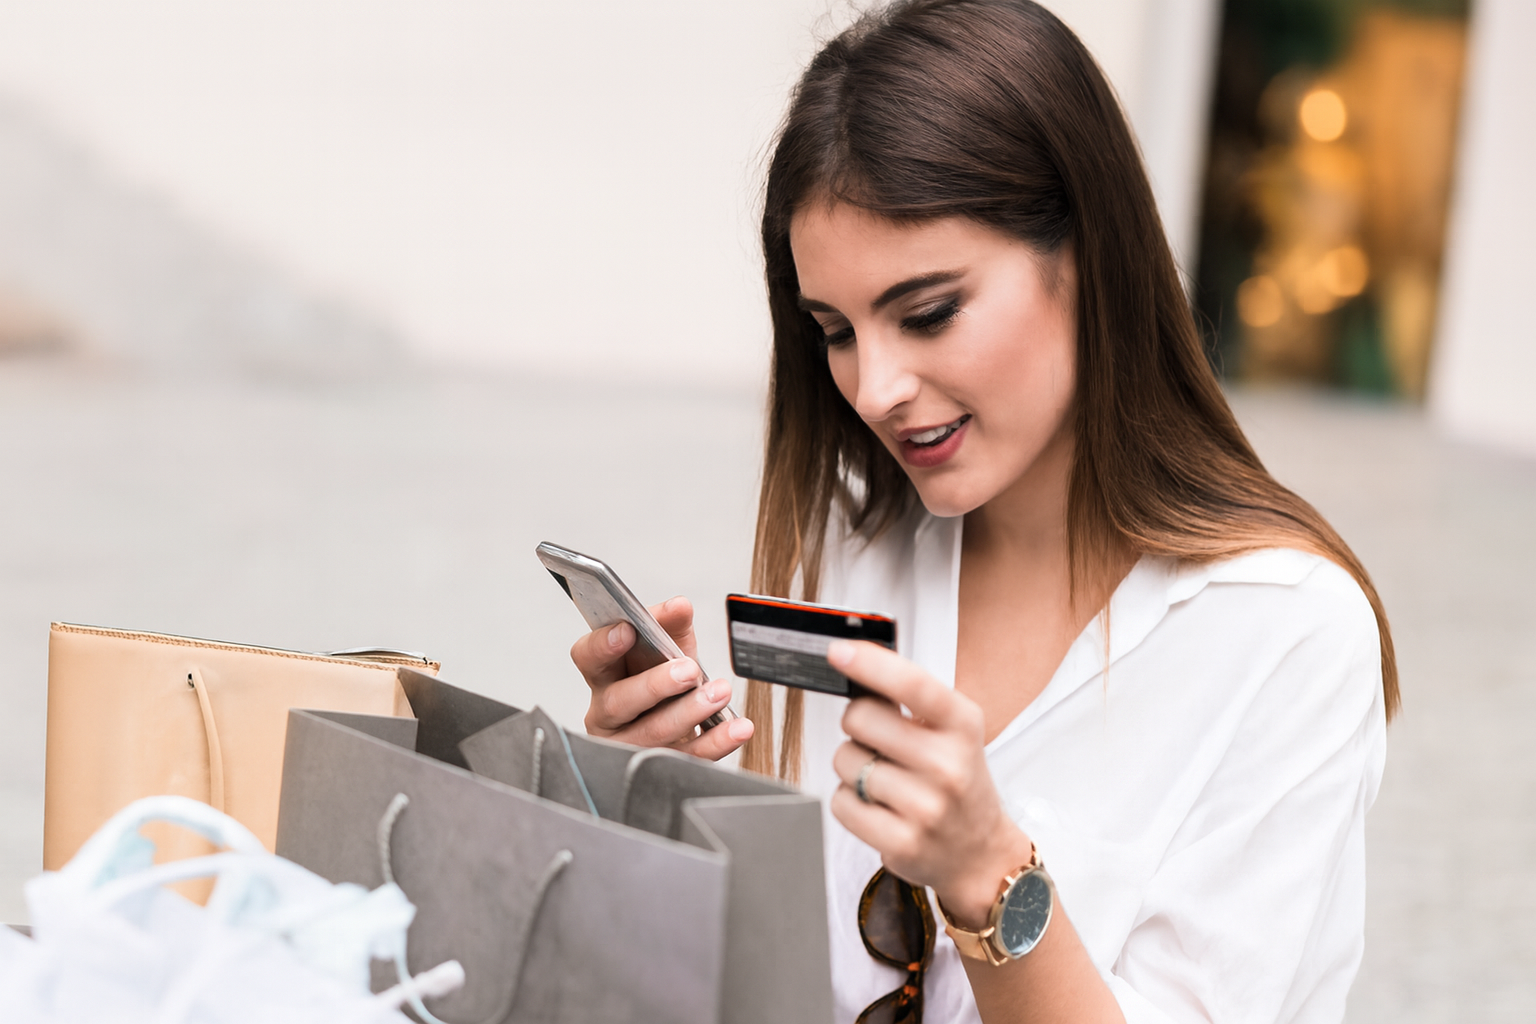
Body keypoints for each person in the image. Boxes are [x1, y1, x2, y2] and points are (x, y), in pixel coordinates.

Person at [569, 1, 1395, 1021]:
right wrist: (645, 801)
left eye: (927, 313)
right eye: (834, 329)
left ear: (1089, 254)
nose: (873, 389)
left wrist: (993, 880)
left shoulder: (1287, 631)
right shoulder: (857, 555)